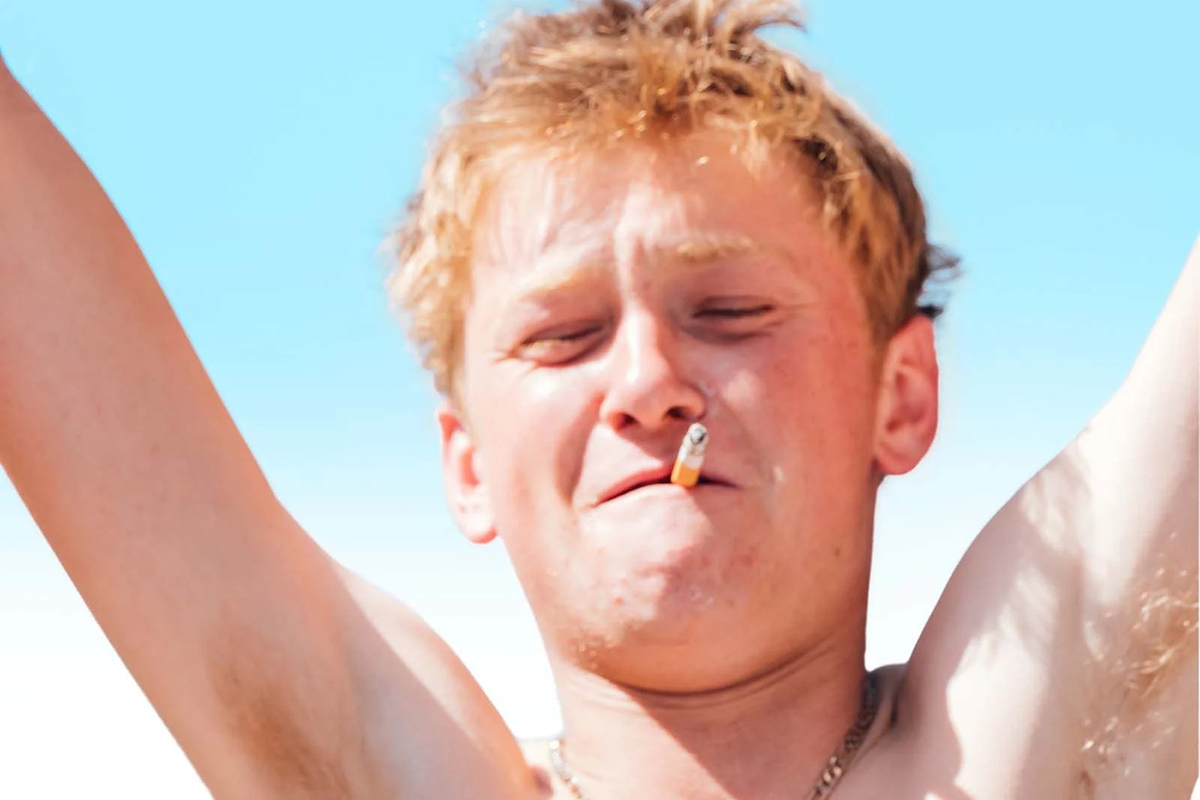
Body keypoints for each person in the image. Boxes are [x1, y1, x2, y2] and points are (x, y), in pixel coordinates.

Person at [0, 0, 1195, 797]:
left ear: (903, 393)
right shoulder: (380, 767)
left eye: (729, 311)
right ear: (469, 463)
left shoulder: (1023, 746)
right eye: (562, 335)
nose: (647, 383)